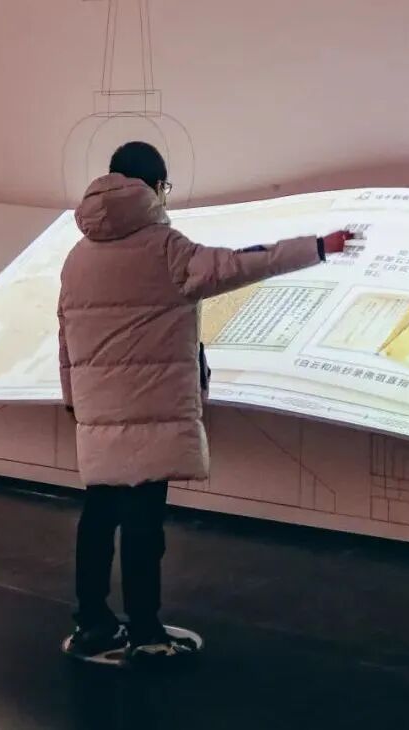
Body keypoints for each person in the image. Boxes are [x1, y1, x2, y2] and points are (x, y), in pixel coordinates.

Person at [57, 141, 352, 660]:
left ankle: (93, 623)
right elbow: (238, 265)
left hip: (99, 413)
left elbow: (65, 337)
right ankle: (146, 634)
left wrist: (74, 402)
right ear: (154, 186)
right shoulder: (165, 248)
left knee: (99, 517)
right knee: (144, 525)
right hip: (151, 411)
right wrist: (318, 247)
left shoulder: (77, 256)